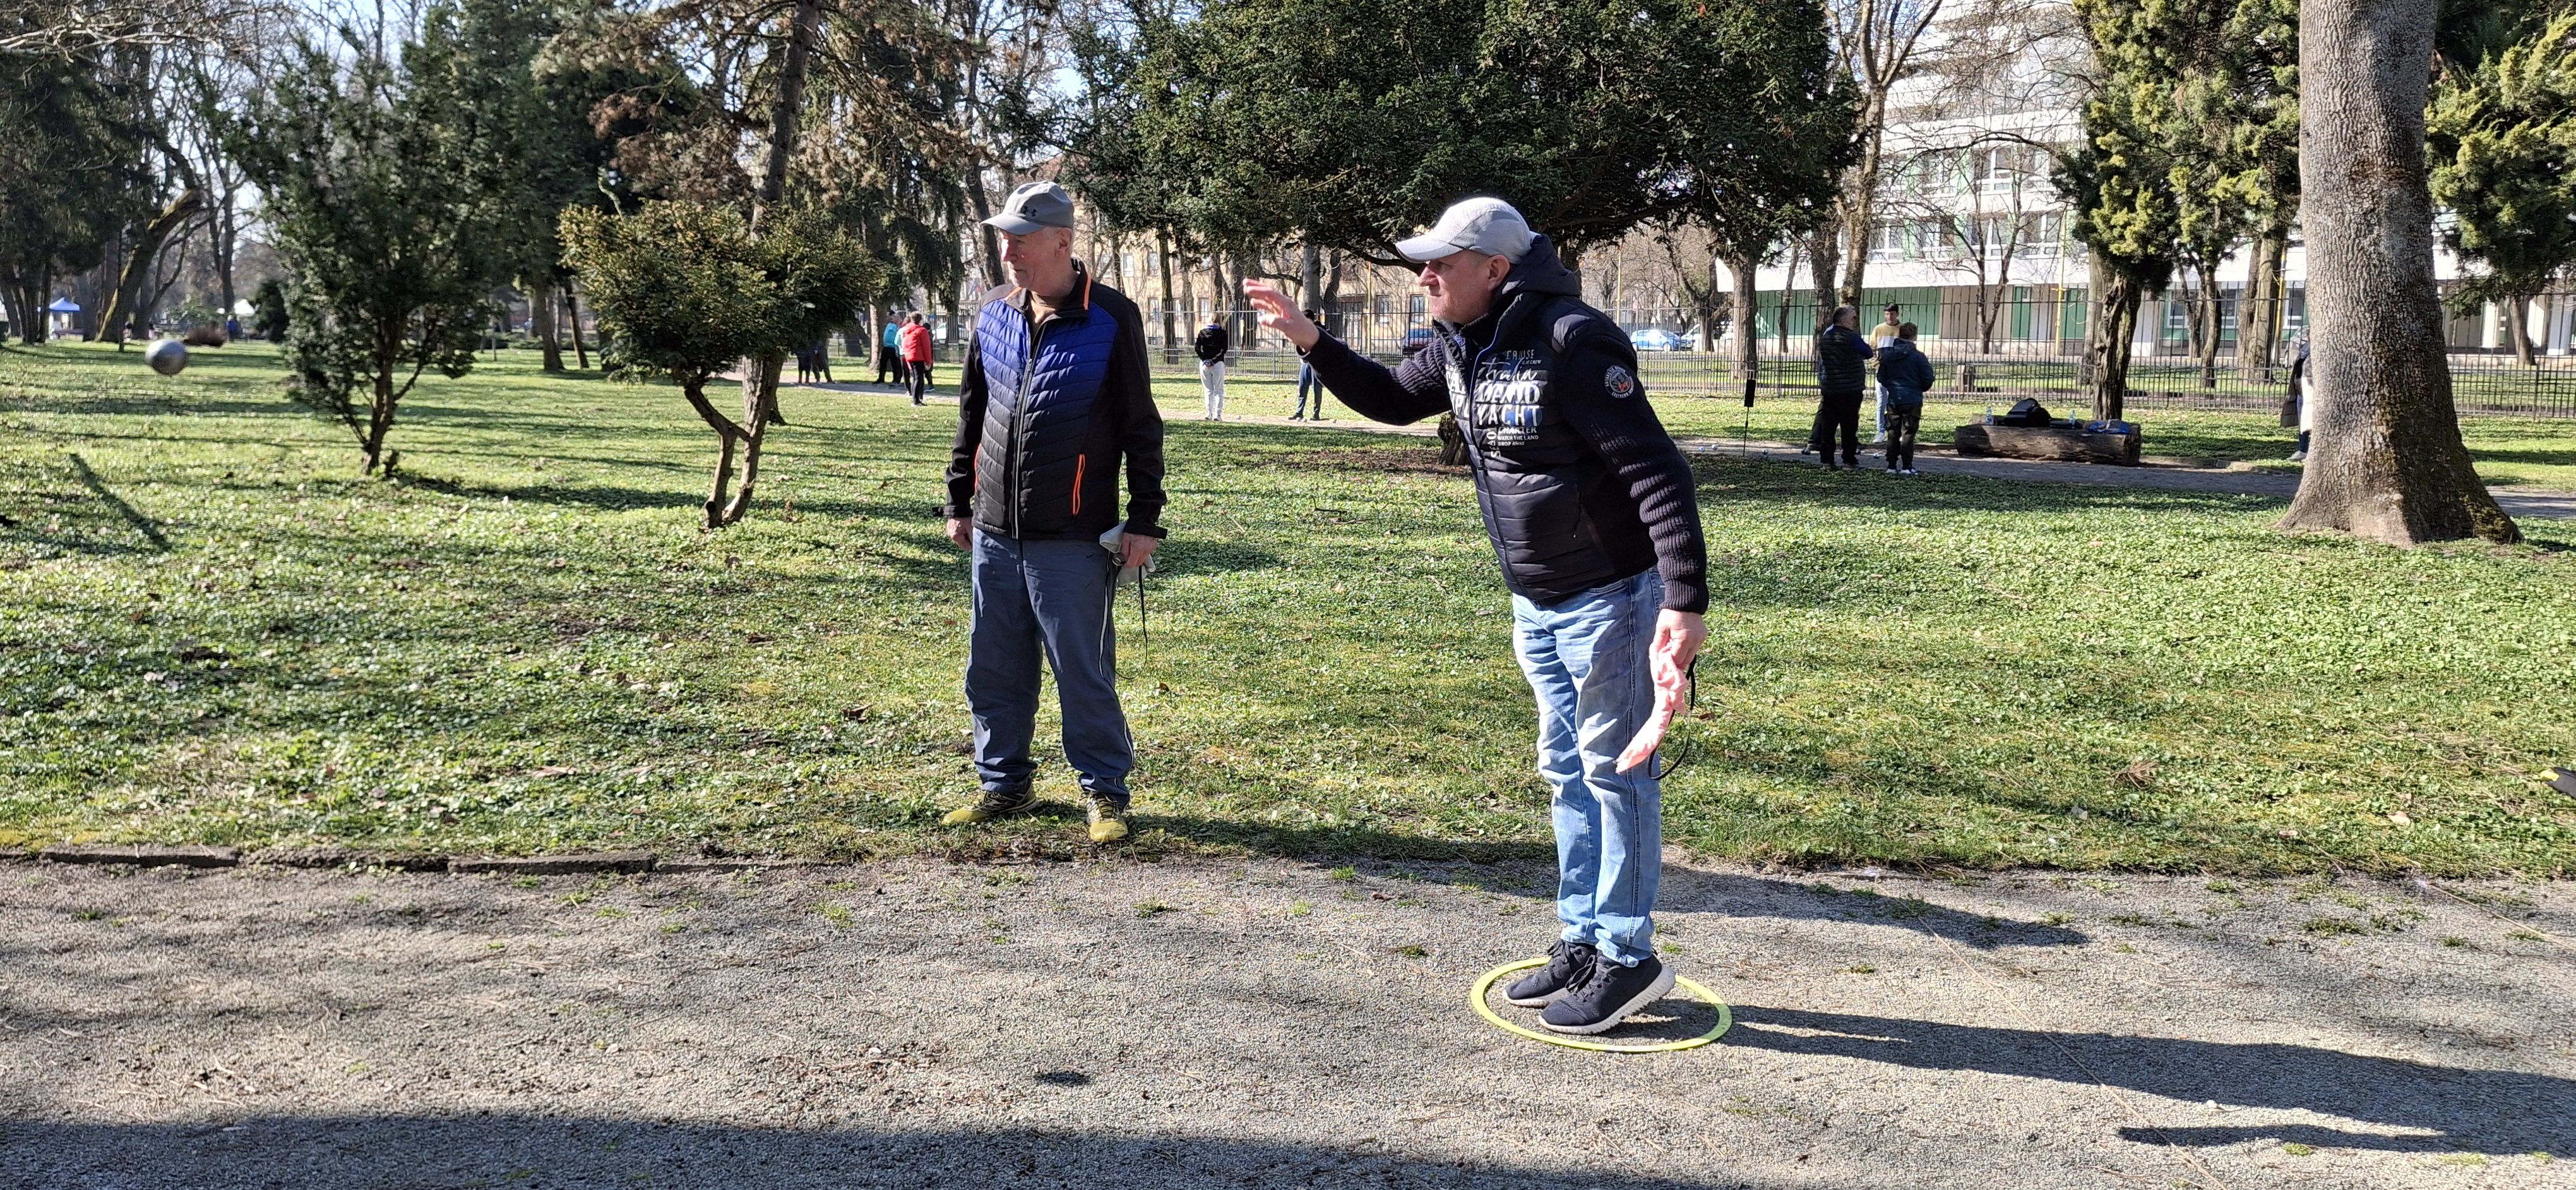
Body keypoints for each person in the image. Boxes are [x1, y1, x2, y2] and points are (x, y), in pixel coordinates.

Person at [1244, 197, 1708, 1037]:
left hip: (1612, 600)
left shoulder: (1572, 341)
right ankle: (1584, 942)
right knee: (1569, 774)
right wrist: (1311, 339)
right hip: (1539, 604)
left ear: (1496, 269)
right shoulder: (1463, 343)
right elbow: (1392, 398)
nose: (1425, 276)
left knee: (1616, 776)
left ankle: (1628, 957)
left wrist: (1682, 601)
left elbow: (1656, 471)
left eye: (1441, 263)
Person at [937, 181, 1167, 845]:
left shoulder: (1112, 317)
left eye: (1020, 240)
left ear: (1062, 242)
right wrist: (959, 500)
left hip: (1073, 535)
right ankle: (1003, 785)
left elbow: (1140, 425)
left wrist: (1144, 518)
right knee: (993, 668)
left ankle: (1105, 792)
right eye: (1004, 240)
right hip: (994, 532)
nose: (1008, 252)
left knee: (1082, 671)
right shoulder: (993, 311)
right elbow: (973, 414)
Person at [1811, 306, 1874, 470]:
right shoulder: (1852, 337)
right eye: (1853, 318)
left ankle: (1827, 461)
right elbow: (1868, 352)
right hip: (1850, 389)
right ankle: (1849, 460)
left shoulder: (1826, 338)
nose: (1854, 321)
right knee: (1849, 426)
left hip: (1830, 388)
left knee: (1828, 426)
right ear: (1844, 320)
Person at [1876, 322, 1935, 476]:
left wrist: (1892, 386)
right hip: (1913, 398)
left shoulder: (1888, 356)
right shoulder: (1918, 357)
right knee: (1908, 432)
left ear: (1899, 334)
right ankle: (1907, 466)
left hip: (1894, 398)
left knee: (1893, 432)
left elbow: (1881, 377)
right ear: (1914, 337)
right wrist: (1919, 388)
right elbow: (1928, 377)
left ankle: (1891, 465)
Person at [1866, 304, 1902, 444]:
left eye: (1892, 314)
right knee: (1881, 403)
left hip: (1898, 373)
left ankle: (1896, 431)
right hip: (1882, 371)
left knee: (1898, 403)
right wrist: (1877, 365)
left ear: (1897, 314)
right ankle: (1880, 432)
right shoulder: (1879, 329)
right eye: (1887, 314)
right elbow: (1871, 350)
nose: (1889, 317)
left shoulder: (1902, 329)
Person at [1292, 309, 1330, 420]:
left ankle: (1316, 413)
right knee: (1302, 387)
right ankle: (1299, 412)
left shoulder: (1320, 330)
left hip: (1317, 364)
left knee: (1317, 389)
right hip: (1305, 364)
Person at [1193, 316, 1230, 420]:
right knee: (1219, 390)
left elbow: (1197, 348)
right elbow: (1224, 350)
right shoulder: (1222, 333)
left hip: (1204, 364)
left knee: (1208, 390)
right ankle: (1218, 414)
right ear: (1219, 321)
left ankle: (1208, 413)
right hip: (1218, 364)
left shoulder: (1202, 333)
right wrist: (1213, 360)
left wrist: (1205, 359)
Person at [2286, 334, 2313, 461]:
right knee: (2303, 422)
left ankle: (2310, 451)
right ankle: (2302, 450)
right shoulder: (2306, 347)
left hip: (2310, 390)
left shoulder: (2319, 349)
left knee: (2311, 421)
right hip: (2300, 390)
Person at [901, 313, 935, 404]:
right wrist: (929, 362)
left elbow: (904, 345)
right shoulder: (922, 331)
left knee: (915, 378)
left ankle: (916, 399)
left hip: (909, 356)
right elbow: (926, 347)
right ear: (920, 320)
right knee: (919, 378)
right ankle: (916, 401)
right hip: (918, 357)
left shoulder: (907, 330)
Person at [878, 316, 903, 385]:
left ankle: (896, 379)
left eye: (895, 318)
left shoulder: (898, 327)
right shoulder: (889, 325)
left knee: (895, 365)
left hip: (893, 348)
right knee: (883, 364)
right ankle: (881, 379)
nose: (893, 319)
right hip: (886, 347)